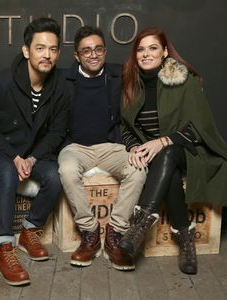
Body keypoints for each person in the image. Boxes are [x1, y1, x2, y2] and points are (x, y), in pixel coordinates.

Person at [118, 27, 227, 274]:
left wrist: (163, 141)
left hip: (188, 150)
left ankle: (140, 223)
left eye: (153, 48)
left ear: (164, 52)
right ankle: (185, 238)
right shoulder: (133, 84)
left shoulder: (185, 81)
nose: (146, 54)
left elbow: (199, 128)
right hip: (155, 156)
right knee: (169, 172)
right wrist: (133, 147)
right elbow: (126, 126)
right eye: (140, 49)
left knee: (168, 154)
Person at [0, 17, 69, 286]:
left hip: (31, 152)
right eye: (40, 48)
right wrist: (14, 157)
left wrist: (32, 158)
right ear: (26, 50)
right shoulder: (1, 81)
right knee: (6, 172)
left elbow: (56, 133)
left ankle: (30, 229)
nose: (47, 55)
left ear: (58, 53)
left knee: (55, 175)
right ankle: (5, 247)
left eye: (53, 49)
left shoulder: (61, 87)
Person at [58, 25, 146, 271]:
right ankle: (90, 231)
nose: (93, 55)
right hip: (76, 147)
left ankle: (115, 234)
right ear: (77, 56)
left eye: (98, 49)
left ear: (105, 51)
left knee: (138, 169)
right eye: (86, 51)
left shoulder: (119, 74)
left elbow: (152, 69)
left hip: (112, 147)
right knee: (66, 170)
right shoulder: (63, 78)